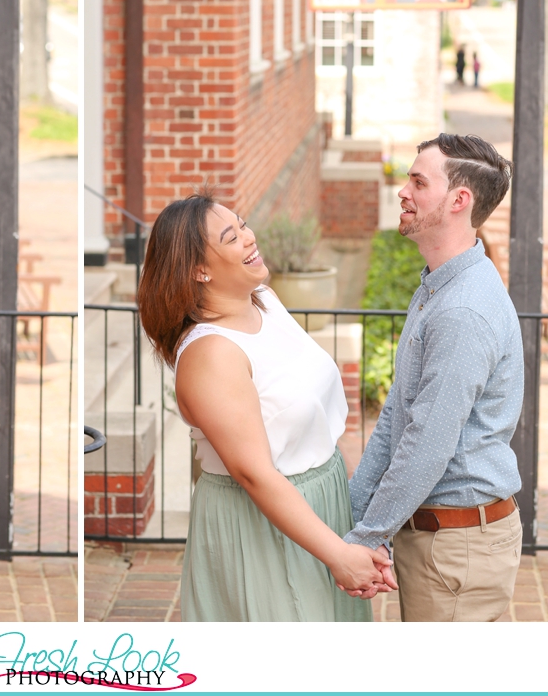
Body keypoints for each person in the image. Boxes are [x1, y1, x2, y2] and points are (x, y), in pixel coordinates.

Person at [137, 189, 394, 621]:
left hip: (322, 502)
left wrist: (353, 526)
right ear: (199, 270)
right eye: (231, 237)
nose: (249, 237)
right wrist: (337, 554)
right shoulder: (211, 354)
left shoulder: (266, 303)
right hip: (260, 520)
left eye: (242, 224)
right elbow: (254, 473)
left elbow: (314, 414)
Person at [344, 133, 523, 622]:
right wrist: (353, 520)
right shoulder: (438, 288)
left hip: (456, 548)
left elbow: (426, 444)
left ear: (458, 200)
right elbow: (399, 418)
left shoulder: (462, 309)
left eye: (419, 182)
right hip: (439, 541)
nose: (403, 191)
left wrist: (364, 537)